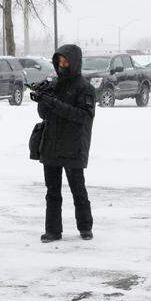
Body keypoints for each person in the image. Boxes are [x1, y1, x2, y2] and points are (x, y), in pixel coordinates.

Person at [31, 43, 95, 243]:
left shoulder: (85, 88)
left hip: (73, 147)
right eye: (59, 61)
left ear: (74, 62)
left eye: (65, 61)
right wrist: (43, 98)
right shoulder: (54, 84)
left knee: (78, 190)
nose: (62, 64)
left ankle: (85, 227)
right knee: (52, 192)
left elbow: (83, 116)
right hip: (51, 145)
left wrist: (54, 103)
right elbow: (44, 114)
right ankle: (53, 231)